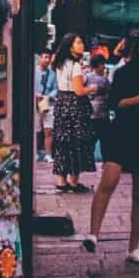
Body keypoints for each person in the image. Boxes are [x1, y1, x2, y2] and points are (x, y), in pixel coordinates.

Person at [82, 28, 139, 263]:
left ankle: (134, 248)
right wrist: (138, 100)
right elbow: (115, 103)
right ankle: (93, 233)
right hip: (122, 133)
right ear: (137, 48)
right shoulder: (123, 73)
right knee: (108, 181)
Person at [52, 33, 97, 194]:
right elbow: (79, 91)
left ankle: (61, 181)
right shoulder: (75, 66)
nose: (82, 44)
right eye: (78, 42)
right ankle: (74, 182)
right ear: (70, 47)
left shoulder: (58, 62)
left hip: (61, 103)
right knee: (77, 142)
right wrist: (91, 88)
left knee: (62, 142)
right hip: (74, 106)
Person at [85, 53, 111, 165]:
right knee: (105, 140)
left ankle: (88, 161)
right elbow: (110, 94)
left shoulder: (87, 77)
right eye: (103, 64)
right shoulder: (104, 81)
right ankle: (106, 162)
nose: (104, 66)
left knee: (90, 140)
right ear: (99, 65)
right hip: (102, 114)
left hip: (90, 113)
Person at [35, 49, 57, 163]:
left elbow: (55, 89)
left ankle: (48, 154)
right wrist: (35, 95)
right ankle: (34, 153)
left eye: (49, 57)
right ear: (39, 58)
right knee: (35, 130)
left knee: (48, 130)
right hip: (34, 104)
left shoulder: (52, 74)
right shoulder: (33, 71)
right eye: (45, 57)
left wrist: (49, 96)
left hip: (48, 104)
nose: (47, 60)